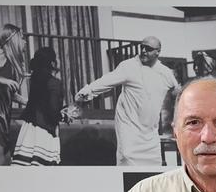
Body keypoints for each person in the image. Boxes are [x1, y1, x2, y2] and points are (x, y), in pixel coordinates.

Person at [76, 37, 180, 166]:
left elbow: (178, 92)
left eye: (148, 49)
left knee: (153, 167)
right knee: (127, 158)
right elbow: (107, 80)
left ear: (158, 52)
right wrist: (86, 92)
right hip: (129, 125)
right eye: (141, 47)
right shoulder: (129, 66)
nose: (143, 51)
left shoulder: (165, 73)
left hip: (150, 133)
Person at [11, 46, 65, 167]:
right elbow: (52, 110)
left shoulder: (35, 81)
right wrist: (64, 115)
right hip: (44, 131)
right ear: (52, 62)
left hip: (28, 130)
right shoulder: (54, 83)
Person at [0, 23, 28, 165]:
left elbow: (8, 92)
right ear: (12, 40)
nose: (25, 41)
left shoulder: (12, 63)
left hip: (3, 117)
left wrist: (27, 102)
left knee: (7, 160)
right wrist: (2, 80)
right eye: (22, 37)